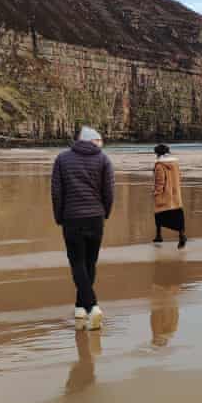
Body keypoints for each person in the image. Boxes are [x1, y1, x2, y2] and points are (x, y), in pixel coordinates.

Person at [51, 126, 115, 330]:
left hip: (72, 218)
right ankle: (81, 309)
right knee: (90, 263)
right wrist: (105, 213)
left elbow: (56, 192)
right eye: (98, 140)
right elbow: (109, 191)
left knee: (77, 263)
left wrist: (59, 216)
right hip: (95, 218)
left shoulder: (62, 159)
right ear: (91, 140)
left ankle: (90, 306)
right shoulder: (104, 159)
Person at [152, 143, 187, 249]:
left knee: (159, 214)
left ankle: (159, 235)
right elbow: (179, 176)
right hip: (175, 194)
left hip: (165, 194)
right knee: (177, 214)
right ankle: (181, 234)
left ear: (158, 153)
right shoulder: (175, 163)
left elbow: (160, 181)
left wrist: (156, 193)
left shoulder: (159, 165)